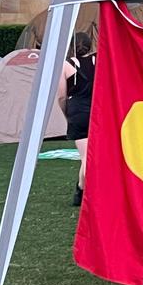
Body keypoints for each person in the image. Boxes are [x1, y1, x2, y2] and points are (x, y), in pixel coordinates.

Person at [58, 32, 96, 206]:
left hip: (78, 112)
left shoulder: (66, 65)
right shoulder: (98, 60)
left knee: (85, 158)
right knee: (93, 157)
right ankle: (81, 190)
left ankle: (83, 191)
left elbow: (61, 97)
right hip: (97, 110)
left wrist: (67, 113)